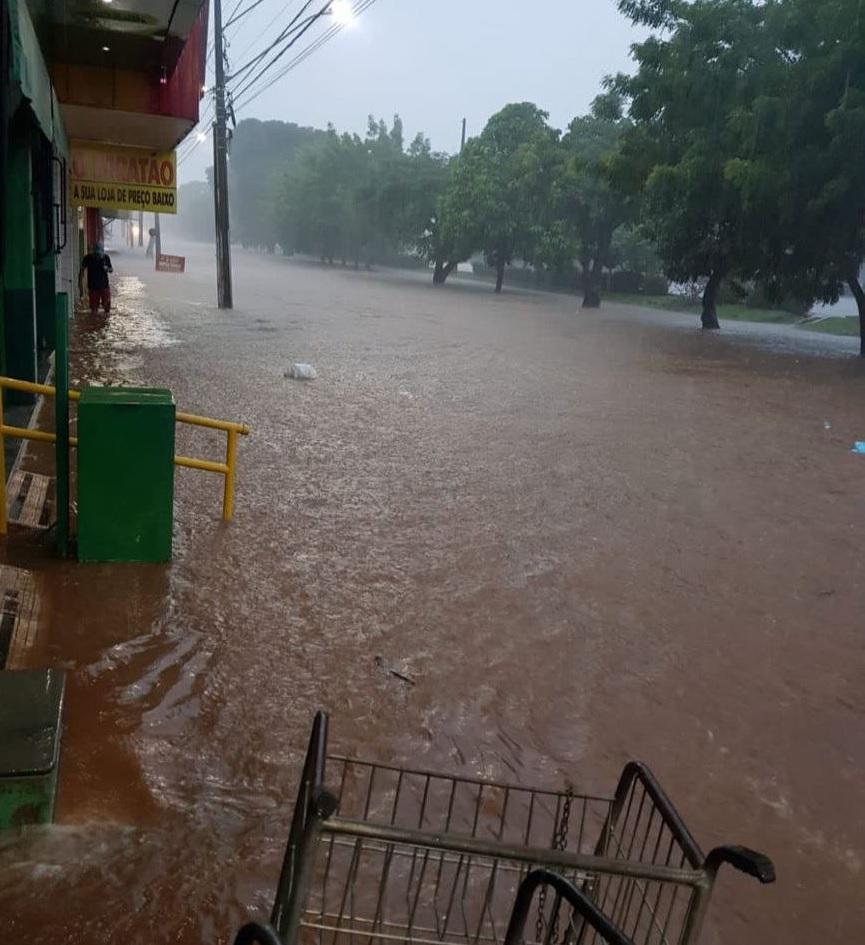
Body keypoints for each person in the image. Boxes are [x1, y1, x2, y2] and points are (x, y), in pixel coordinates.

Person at [80, 243, 113, 314]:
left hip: (104, 286)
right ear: (92, 252)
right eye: (96, 254)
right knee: (94, 309)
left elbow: (111, 270)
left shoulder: (106, 257)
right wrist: (81, 285)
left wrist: (107, 269)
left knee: (107, 307)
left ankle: (105, 322)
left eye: (99, 254)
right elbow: (82, 270)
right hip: (93, 287)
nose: (97, 256)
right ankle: (95, 321)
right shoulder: (87, 258)